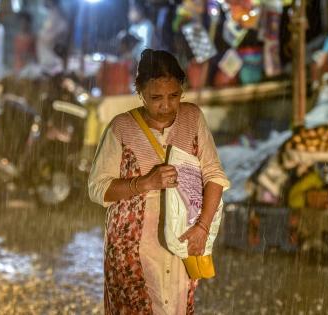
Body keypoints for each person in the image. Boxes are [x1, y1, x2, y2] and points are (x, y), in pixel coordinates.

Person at [88, 49, 229, 314]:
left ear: (182, 90)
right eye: (155, 98)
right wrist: (144, 183)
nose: (165, 105)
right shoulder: (121, 127)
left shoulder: (192, 118)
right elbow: (97, 189)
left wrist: (202, 227)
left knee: (174, 305)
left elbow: (214, 174)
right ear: (139, 92)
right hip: (131, 247)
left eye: (173, 96)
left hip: (181, 237)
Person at [36, 0, 68, 75]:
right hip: (45, 61)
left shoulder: (56, 13)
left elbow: (63, 28)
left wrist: (46, 37)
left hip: (53, 62)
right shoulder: (49, 13)